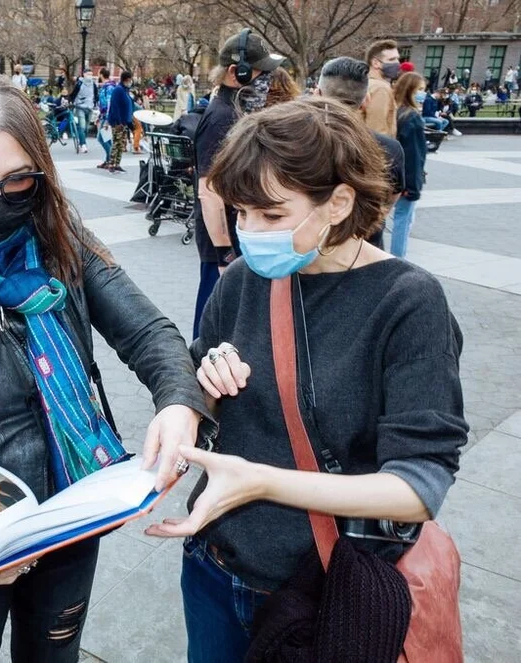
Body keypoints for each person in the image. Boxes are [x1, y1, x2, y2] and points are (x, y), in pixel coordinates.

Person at [0, 74, 209, 663]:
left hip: (70, 508)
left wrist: (179, 402)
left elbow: (149, 332)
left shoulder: (62, 243)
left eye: (18, 181)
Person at [145, 97, 467, 663]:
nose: (250, 232)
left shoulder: (408, 303)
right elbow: (200, 386)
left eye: (271, 216)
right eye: (241, 213)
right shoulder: (242, 281)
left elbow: (418, 488)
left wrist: (262, 482)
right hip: (215, 564)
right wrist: (202, 391)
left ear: (338, 202)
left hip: (324, 587)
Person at [192, 28, 284, 337]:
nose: (266, 79)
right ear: (237, 72)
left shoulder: (233, 110)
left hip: (234, 237)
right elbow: (209, 192)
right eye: (260, 72)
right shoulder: (222, 117)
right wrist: (225, 254)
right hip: (223, 244)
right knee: (213, 326)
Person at [317, 56, 405, 251]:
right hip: (363, 246)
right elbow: (390, 197)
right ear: (366, 100)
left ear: (317, 93)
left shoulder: (291, 141)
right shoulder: (389, 148)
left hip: (309, 246)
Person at [392, 72, 427, 258]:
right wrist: (412, 186)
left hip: (394, 174)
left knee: (401, 218)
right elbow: (413, 155)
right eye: (420, 89)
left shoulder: (397, 112)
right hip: (406, 178)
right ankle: (399, 258)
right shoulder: (411, 117)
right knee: (403, 220)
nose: (423, 93)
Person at [364, 39, 400, 136]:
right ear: (376, 63)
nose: (397, 63)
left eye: (397, 59)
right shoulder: (380, 88)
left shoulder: (366, 83)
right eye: (392, 59)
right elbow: (377, 131)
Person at [106, 70, 134, 173]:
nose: (130, 82)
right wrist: (118, 122)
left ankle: (117, 164)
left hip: (124, 122)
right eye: (129, 80)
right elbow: (115, 106)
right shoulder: (118, 90)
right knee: (116, 143)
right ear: (126, 79)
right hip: (118, 122)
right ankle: (111, 164)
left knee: (121, 144)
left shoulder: (125, 90)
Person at [68, 69, 97, 154]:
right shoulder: (79, 84)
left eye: (91, 74)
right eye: (88, 74)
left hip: (90, 108)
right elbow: (73, 95)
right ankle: (83, 145)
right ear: (84, 74)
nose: (90, 76)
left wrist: (96, 104)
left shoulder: (93, 84)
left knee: (86, 128)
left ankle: (81, 141)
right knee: (82, 126)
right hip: (80, 107)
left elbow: (96, 95)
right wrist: (70, 102)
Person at [95, 68, 116, 168]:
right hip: (104, 115)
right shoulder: (106, 87)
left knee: (101, 138)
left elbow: (109, 103)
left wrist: (107, 119)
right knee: (107, 139)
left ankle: (111, 160)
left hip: (108, 116)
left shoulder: (109, 87)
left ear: (101, 75)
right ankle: (108, 160)